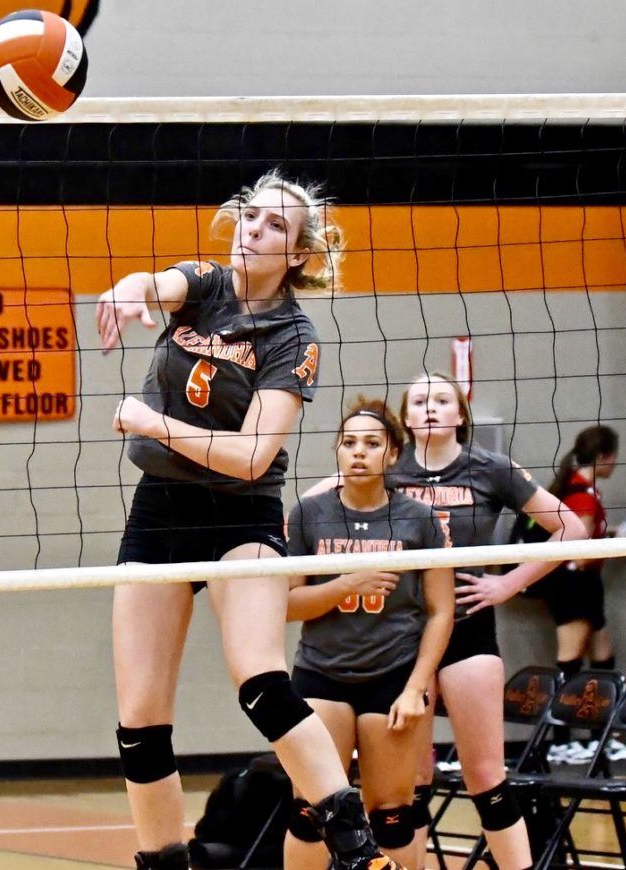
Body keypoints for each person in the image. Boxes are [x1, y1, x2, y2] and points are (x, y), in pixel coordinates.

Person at [96, 170, 401, 870]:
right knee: (139, 723)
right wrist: (129, 288)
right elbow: (159, 281)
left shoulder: (294, 336)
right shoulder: (203, 284)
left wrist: (154, 422)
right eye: (247, 217)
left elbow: (252, 456)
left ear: (296, 254)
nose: (251, 231)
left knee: (260, 681)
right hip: (160, 512)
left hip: (243, 514)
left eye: (271, 226)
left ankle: (358, 851)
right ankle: (165, 862)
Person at [300, 372, 587, 869]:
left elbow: (572, 526)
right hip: (404, 639)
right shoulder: (385, 464)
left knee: (486, 779)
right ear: (405, 419)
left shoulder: (493, 468)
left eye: (441, 399)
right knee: (407, 791)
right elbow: (312, 508)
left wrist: (508, 583)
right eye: (418, 400)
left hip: (468, 629)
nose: (430, 407)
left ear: (460, 414)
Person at [283, 397, 454, 870]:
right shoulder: (308, 515)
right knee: (310, 814)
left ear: (393, 454)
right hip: (321, 673)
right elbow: (287, 606)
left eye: (372, 443)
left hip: (393, 676)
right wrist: (345, 585)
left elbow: (441, 611)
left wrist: (417, 688)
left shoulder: (418, 519)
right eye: (348, 442)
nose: (358, 452)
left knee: (392, 816)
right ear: (337, 451)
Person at [529, 425, 626, 764]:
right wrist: (618, 543)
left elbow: (586, 536)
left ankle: (599, 735)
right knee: (569, 661)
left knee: (603, 653)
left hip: (585, 586)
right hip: (573, 584)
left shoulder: (581, 488)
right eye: (613, 455)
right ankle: (561, 739)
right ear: (603, 456)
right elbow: (579, 553)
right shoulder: (582, 495)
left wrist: (616, 531)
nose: (616, 462)